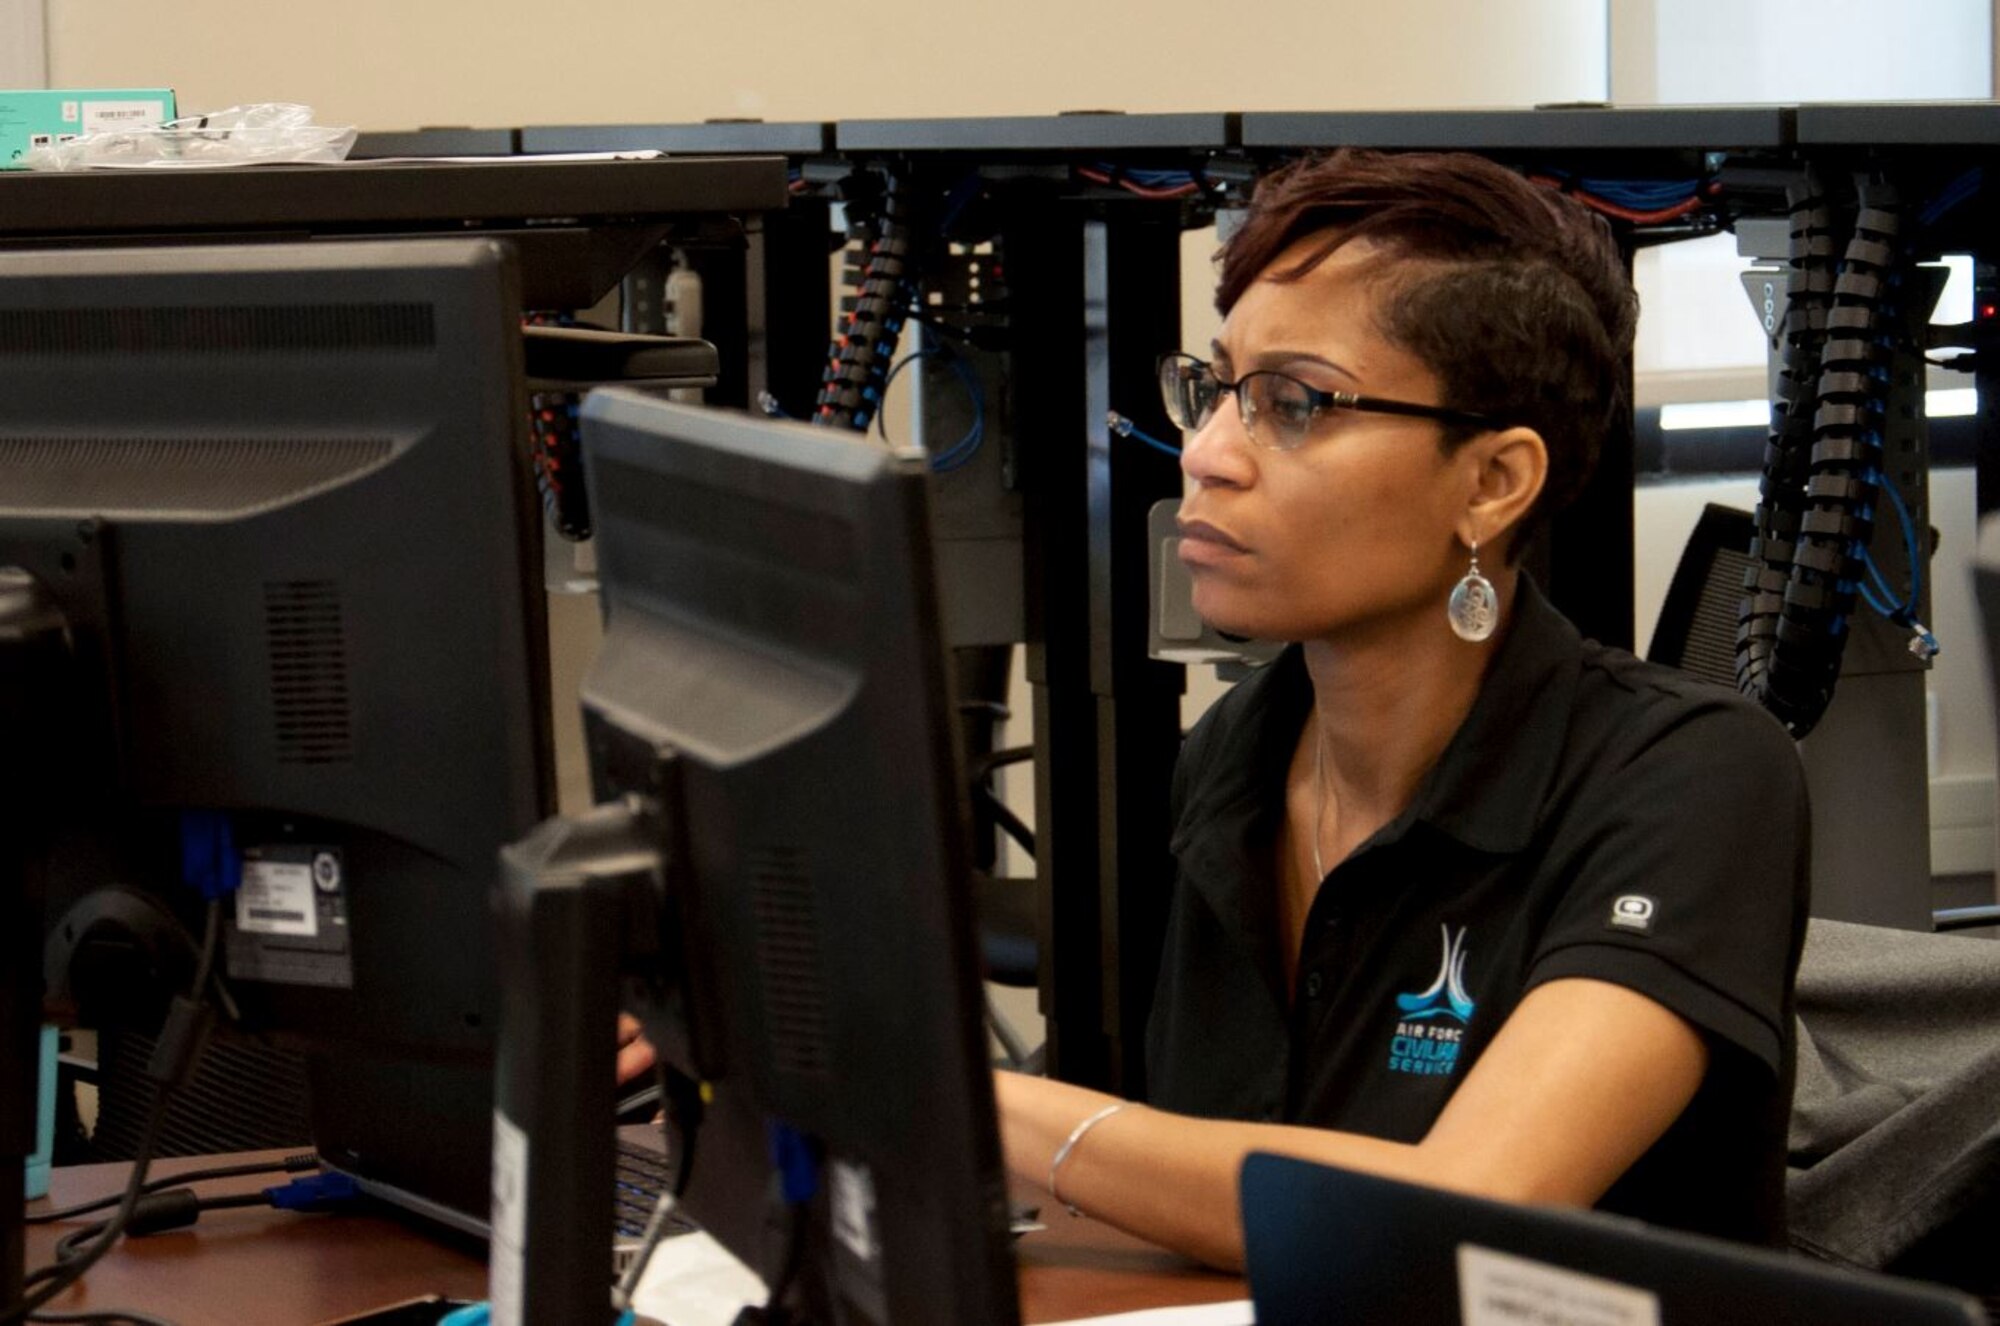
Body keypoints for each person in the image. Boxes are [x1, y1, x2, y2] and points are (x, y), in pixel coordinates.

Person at [993, 148, 1811, 1271]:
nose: (1205, 455)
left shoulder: (1690, 773)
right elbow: (1203, 1190)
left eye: (1294, 403)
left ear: (1489, 483)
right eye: (1216, 387)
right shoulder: (1235, 758)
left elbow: (1459, 1211)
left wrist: (967, 1100)